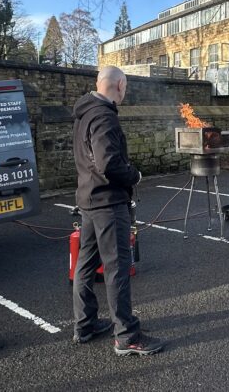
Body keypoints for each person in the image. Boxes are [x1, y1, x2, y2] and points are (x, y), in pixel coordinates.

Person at [72, 66, 164, 356]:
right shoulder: (104, 116)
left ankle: (85, 324)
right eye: (126, 87)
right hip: (108, 204)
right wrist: (133, 175)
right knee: (117, 269)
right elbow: (108, 163)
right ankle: (126, 335)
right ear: (120, 85)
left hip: (88, 200)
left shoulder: (85, 112)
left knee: (85, 265)